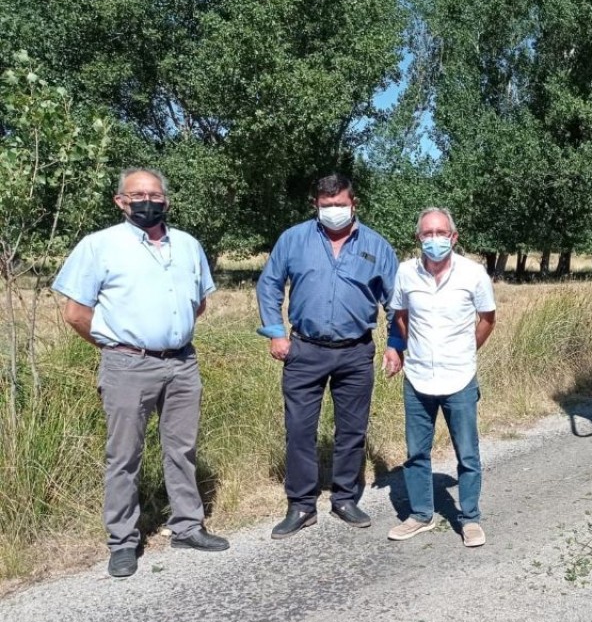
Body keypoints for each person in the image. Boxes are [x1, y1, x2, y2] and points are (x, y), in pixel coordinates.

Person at [52, 168, 229, 579]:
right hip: (127, 364)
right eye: (137, 194)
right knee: (124, 455)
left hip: (182, 361)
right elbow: (76, 313)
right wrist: (117, 347)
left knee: (182, 449)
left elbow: (197, 303)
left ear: (166, 200)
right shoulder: (99, 246)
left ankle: (187, 526)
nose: (147, 200)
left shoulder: (187, 245)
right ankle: (123, 542)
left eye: (154, 194)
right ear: (120, 201)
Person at [256, 174, 405, 539]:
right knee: (299, 430)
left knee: (352, 431)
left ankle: (344, 498)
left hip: (355, 352)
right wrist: (275, 332)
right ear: (315, 206)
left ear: (354, 204)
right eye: (326, 206)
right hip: (304, 349)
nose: (333, 211)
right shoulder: (293, 240)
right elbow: (270, 284)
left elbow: (396, 300)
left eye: (340, 204)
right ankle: (302, 505)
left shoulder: (376, 246)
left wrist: (395, 343)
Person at [385, 207, 496, 548]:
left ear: (454, 237)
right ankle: (421, 515)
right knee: (417, 452)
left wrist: (464, 350)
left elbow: (488, 319)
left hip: (459, 377)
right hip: (418, 378)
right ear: (418, 237)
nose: (434, 239)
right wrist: (404, 349)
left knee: (468, 453)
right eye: (427, 233)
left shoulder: (473, 274)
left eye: (441, 233)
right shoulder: (406, 273)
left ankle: (470, 518)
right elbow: (400, 316)